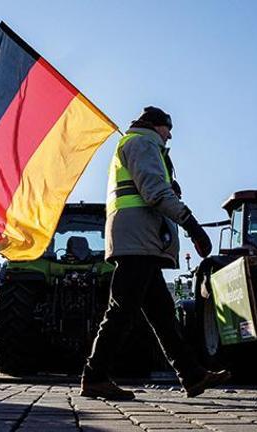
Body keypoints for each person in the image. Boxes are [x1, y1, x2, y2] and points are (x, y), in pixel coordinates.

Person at [80, 106, 231, 400]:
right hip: (137, 240)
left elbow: (148, 187)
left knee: (162, 315)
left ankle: (192, 375)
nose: (170, 134)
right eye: (168, 128)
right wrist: (192, 225)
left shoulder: (137, 145)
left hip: (140, 240)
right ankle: (94, 376)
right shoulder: (143, 142)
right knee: (122, 309)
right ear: (155, 125)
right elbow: (153, 192)